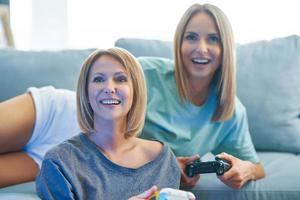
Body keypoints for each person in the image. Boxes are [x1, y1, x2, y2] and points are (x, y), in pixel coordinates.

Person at [0, 3, 265, 189]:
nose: (201, 48)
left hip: (82, 164)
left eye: (213, 39)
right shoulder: (146, 71)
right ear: (179, 42)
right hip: (57, 117)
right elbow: (98, 85)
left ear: (226, 47)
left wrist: (246, 170)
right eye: (191, 37)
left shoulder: (229, 112)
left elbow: (256, 166)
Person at [35, 48, 181, 199]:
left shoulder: (163, 160)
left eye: (121, 79)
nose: (109, 88)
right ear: (85, 92)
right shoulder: (60, 162)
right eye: (98, 79)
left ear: (135, 91)